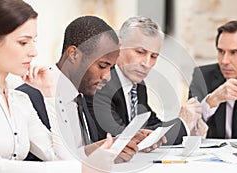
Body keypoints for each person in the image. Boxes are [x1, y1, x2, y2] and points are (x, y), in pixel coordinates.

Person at [0, 0, 116, 173]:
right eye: (23, 42)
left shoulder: (19, 101)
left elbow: (60, 157)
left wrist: (50, 95)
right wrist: (81, 171)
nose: (33, 52)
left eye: (33, 41)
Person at [17, 16, 155, 163]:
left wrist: (113, 145)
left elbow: (77, 152)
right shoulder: (29, 98)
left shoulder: (82, 94)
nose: (107, 77)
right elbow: (53, 161)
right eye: (102, 66)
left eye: (111, 67)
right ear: (73, 54)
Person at [86, 16, 207, 145]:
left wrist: (189, 128)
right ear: (119, 46)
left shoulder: (137, 85)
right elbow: (125, 140)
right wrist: (183, 123)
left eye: (154, 56)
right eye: (140, 52)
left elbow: (152, 125)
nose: (147, 63)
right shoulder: (101, 83)